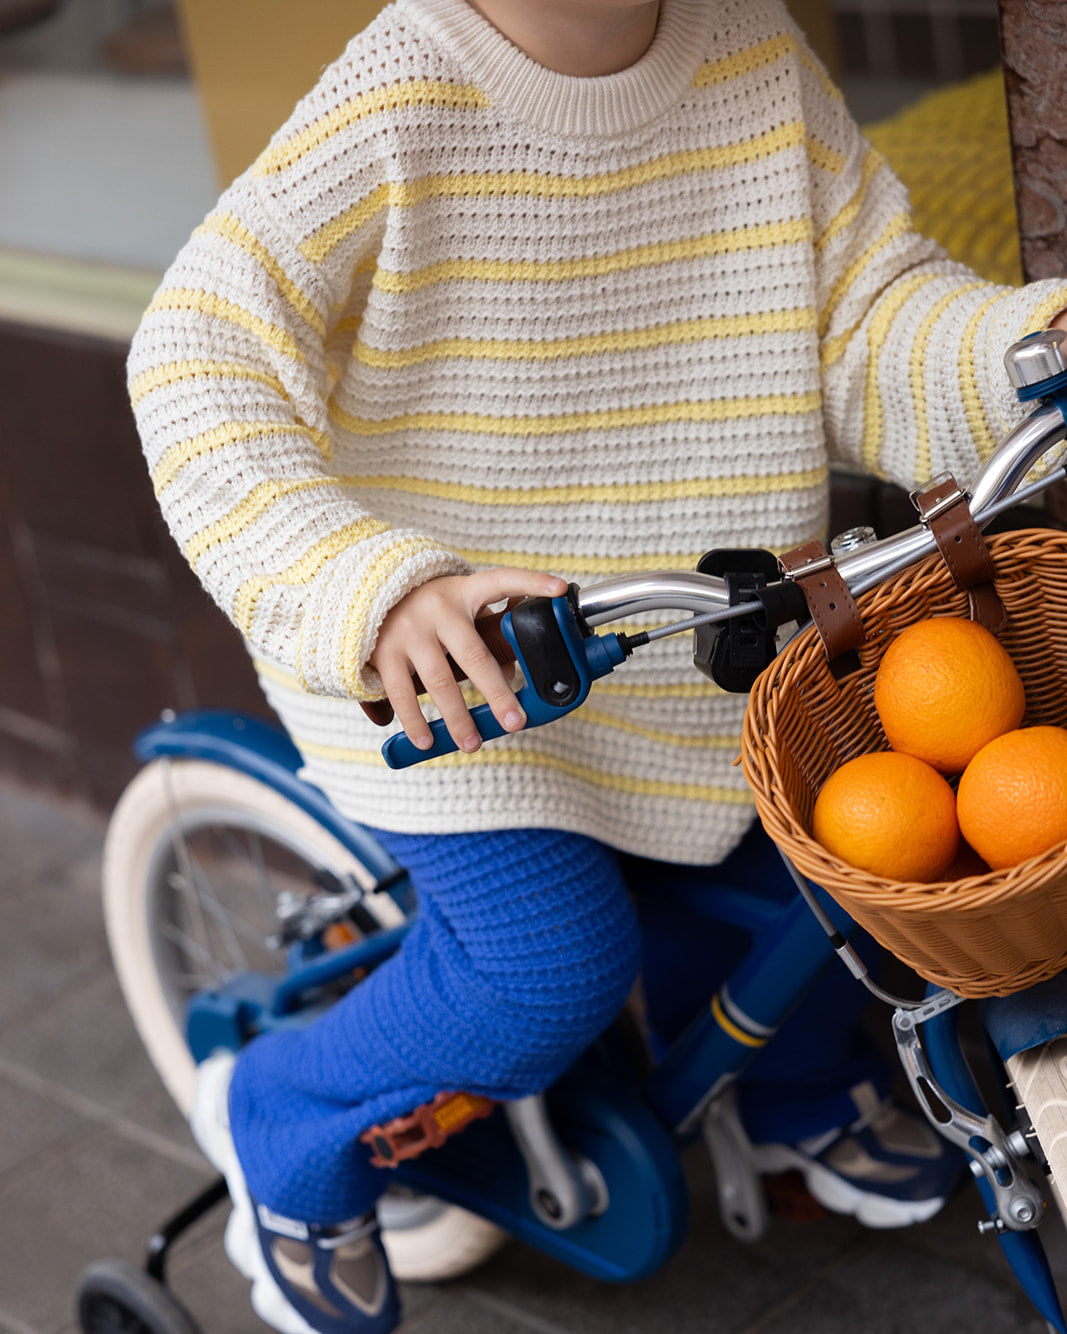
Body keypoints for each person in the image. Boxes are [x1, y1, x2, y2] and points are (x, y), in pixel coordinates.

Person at [128, 1, 1067, 1331]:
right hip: (460, 677)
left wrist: (1028, 355)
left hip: (683, 632)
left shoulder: (751, 50)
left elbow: (866, 315)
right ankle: (284, 1112)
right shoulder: (401, 95)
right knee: (545, 966)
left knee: (796, 856)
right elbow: (196, 354)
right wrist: (372, 587)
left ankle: (795, 1095)